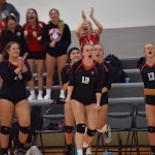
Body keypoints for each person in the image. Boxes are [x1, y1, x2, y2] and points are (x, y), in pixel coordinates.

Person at [66, 44, 105, 155]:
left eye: (91, 50)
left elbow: (99, 88)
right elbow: (71, 82)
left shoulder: (99, 68)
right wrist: (68, 96)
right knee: (81, 126)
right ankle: (78, 152)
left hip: (91, 99)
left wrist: (98, 103)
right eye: (87, 50)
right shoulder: (77, 66)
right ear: (82, 53)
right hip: (77, 98)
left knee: (92, 129)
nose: (89, 52)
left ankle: (83, 147)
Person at [0, 41, 31, 155]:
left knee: (25, 126)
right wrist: (18, 68)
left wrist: (22, 66)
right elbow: (7, 77)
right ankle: (4, 151)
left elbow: (28, 77)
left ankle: (18, 148)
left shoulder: (24, 63)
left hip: (21, 96)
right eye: (13, 49)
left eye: (18, 49)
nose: (16, 50)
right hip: (6, 96)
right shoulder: (3, 64)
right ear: (8, 51)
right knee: (5, 127)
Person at [84, 44, 112, 155]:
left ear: (102, 53)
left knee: (99, 126)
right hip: (88, 99)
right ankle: (88, 150)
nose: (98, 51)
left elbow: (108, 85)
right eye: (95, 49)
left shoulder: (107, 67)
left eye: (100, 50)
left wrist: (98, 92)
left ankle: (106, 128)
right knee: (88, 127)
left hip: (102, 97)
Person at [42, 8, 71, 101]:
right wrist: (48, 45)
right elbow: (44, 40)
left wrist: (60, 46)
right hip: (50, 53)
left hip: (61, 53)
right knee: (49, 73)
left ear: (58, 15)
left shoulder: (64, 26)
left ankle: (62, 93)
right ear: (50, 16)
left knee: (61, 74)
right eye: (52, 14)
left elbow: (68, 40)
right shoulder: (46, 27)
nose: (54, 15)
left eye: (55, 13)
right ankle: (48, 94)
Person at [61, 47, 81, 155]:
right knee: (68, 127)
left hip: (83, 100)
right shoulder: (66, 69)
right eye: (73, 53)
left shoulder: (85, 67)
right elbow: (64, 86)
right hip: (70, 99)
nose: (76, 55)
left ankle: (81, 147)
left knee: (81, 126)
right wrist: (74, 79)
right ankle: (69, 148)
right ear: (69, 57)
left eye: (77, 53)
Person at [23, 8, 46, 101]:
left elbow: (47, 36)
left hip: (41, 50)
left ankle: (40, 93)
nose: (31, 14)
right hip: (31, 51)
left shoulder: (42, 24)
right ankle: (32, 93)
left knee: (40, 73)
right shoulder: (25, 26)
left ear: (36, 15)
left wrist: (41, 37)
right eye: (29, 13)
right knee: (30, 73)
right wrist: (25, 36)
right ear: (27, 15)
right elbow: (23, 41)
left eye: (33, 13)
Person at [140, 43, 155, 155]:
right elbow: (146, 86)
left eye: (152, 48)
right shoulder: (143, 68)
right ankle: (153, 150)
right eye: (147, 48)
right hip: (150, 99)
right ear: (144, 52)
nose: (150, 50)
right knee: (151, 124)